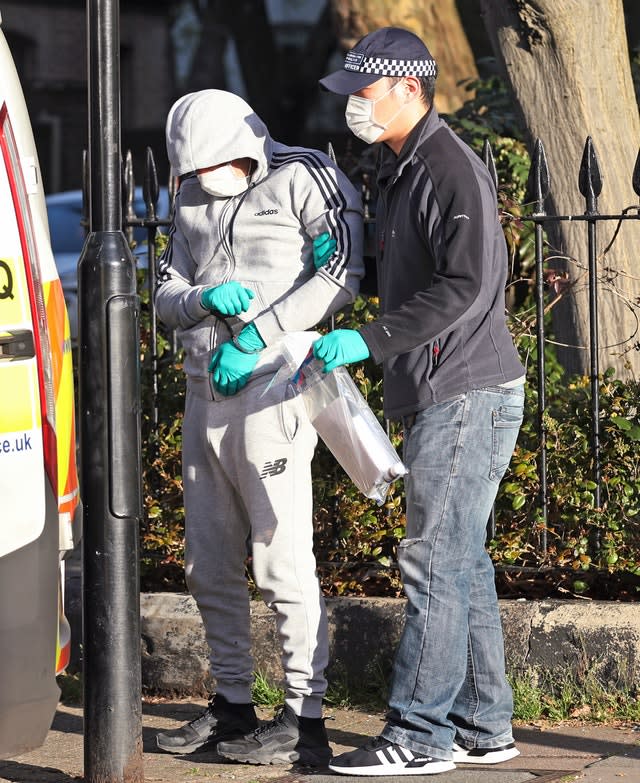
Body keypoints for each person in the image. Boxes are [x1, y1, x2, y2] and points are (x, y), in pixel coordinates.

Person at [314, 27, 526, 776]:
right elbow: (415, 274)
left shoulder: (447, 165)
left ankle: (419, 734)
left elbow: (466, 284)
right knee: (459, 560)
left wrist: (367, 339)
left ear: (409, 88)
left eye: (363, 93)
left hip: (465, 389)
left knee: (433, 561)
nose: (353, 108)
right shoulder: (402, 167)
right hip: (453, 388)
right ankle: (482, 725)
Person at [153, 89, 363, 766]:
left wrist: (261, 332)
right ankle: (233, 705)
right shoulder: (185, 193)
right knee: (207, 560)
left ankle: (305, 716)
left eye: (215, 170)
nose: (203, 187)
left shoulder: (304, 175)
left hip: (273, 386)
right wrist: (199, 301)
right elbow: (163, 290)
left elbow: (340, 272)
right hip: (202, 385)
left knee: (281, 555)